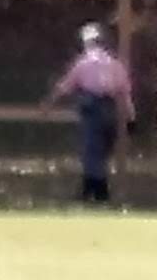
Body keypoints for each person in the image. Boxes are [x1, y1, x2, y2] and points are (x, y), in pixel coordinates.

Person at [48, 19, 133, 203]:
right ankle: (93, 191)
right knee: (101, 151)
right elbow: (125, 92)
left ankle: (95, 192)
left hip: (91, 107)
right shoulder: (115, 64)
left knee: (91, 150)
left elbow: (65, 86)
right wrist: (131, 116)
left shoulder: (83, 64)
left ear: (87, 43)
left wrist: (49, 103)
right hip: (109, 108)